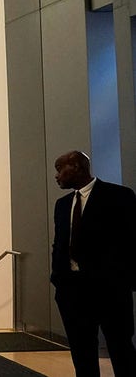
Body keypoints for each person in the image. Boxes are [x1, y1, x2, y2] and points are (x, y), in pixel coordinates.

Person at [51, 150, 136, 376]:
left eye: (60, 169)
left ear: (77, 167)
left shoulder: (119, 196)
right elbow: (59, 245)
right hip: (72, 292)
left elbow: (131, 241)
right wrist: (58, 280)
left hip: (111, 291)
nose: (57, 176)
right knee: (82, 354)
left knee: (121, 350)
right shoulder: (62, 205)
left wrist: (125, 281)